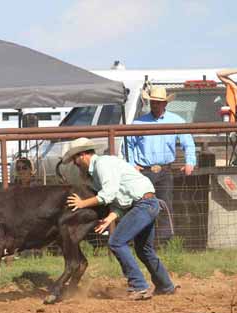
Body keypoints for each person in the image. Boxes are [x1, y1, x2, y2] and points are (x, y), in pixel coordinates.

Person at [65, 138, 177, 300]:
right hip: (148, 203)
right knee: (144, 250)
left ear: (82, 155)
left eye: (74, 159)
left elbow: (108, 194)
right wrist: (111, 217)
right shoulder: (101, 169)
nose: (74, 163)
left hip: (143, 205)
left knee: (116, 242)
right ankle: (166, 286)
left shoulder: (102, 165)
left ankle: (139, 286)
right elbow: (121, 199)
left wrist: (82, 204)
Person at [124, 86, 196, 241]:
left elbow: (188, 143)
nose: (155, 105)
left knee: (165, 204)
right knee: (143, 205)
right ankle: (142, 238)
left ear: (165, 103)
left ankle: (164, 240)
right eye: (153, 102)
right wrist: (132, 164)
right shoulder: (138, 123)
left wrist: (190, 162)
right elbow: (127, 145)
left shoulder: (176, 121)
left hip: (165, 170)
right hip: (144, 171)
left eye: (158, 102)